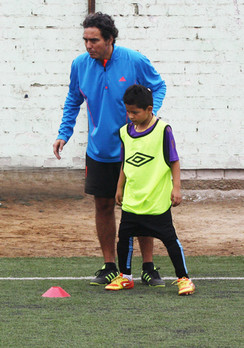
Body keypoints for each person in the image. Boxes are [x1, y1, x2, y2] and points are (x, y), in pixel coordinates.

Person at [52, 12, 167, 286]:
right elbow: (73, 99)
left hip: (135, 149)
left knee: (140, 207)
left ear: (110, 39)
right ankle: (109, 265)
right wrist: (63, 133)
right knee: (103, 205)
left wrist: (148, 119)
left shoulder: (134, 61)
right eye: (85, 40)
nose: (88, 45)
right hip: (99, 150)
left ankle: (148, 266)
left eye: (94, 40)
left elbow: (158, 87)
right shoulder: (80, 65)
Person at [105, 84, 195, 296]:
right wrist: (120, 187)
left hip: (156, 201)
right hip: (133, 200)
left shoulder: (163, 130)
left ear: (149, 109)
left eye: (135, 112)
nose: (130, 116)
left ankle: (184, 278)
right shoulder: (125, 133)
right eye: (127, 111)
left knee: (170, 240)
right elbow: (125, 163)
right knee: (124, 238)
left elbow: (174, 161)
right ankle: (125, 277)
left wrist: (177, 188)